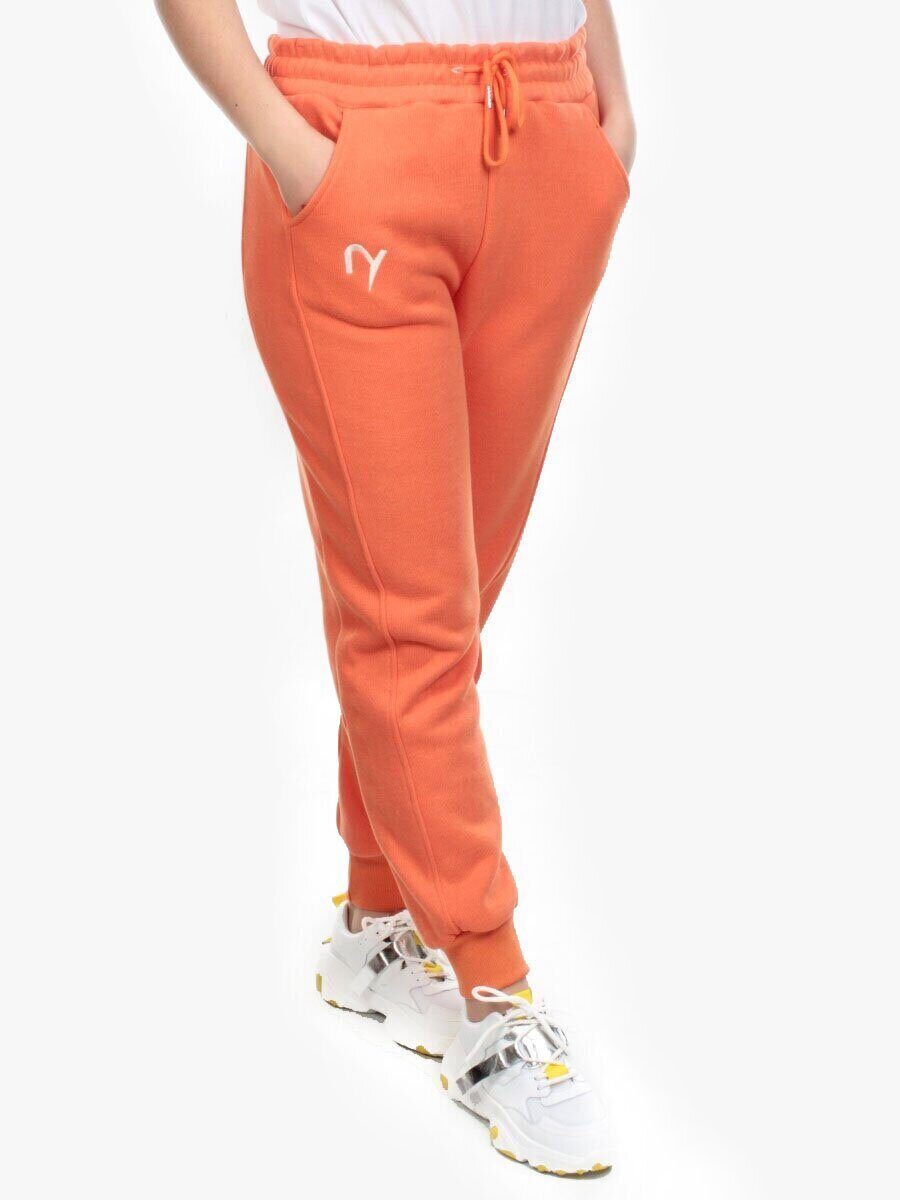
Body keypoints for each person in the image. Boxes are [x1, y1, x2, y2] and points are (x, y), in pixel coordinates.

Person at [156, 0, 635, 1176]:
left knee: (448, 602)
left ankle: (376, 922)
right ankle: (492, 989)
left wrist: (607, 115)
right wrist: (292, 149)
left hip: (549, 127)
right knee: (410, 617)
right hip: (356, 147)